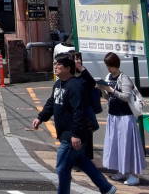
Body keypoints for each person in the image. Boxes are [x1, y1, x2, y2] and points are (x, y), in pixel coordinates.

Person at [32, 55, 117, 194]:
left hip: (72, 134)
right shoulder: (58, 84)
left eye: (59, 65)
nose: (55, 67)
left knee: (62, 168)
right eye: (55, 64)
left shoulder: (76, 86)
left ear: (67, 68)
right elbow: (51, 103)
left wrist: (76, 134)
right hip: (65, 132)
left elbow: (79, 111)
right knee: (82, 162)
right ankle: (107, 188)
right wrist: (40, 118)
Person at [99, 52, 145, 186]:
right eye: (107, 65)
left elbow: (125, 97)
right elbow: (108, 97)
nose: (108, 68)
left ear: (115, 65)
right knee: (116, 146)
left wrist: (110, 89)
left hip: (125, 118)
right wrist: (103, 89)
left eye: (110, 66)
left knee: (127, 146)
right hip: (113, 116)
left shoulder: (124, 78)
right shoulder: (108, 77)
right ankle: (121, 171)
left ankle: (133, 175)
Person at [72, 51, 100, 160]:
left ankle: (85, 161)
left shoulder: (83, 76)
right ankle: (77, 161)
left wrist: (82, 69)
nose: (78, 61)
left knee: (86, 137)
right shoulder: (70, 78)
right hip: (75, 113)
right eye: (75, 59)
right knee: (76, 138)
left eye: (79, 58)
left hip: (86, 113)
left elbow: (92, 83)